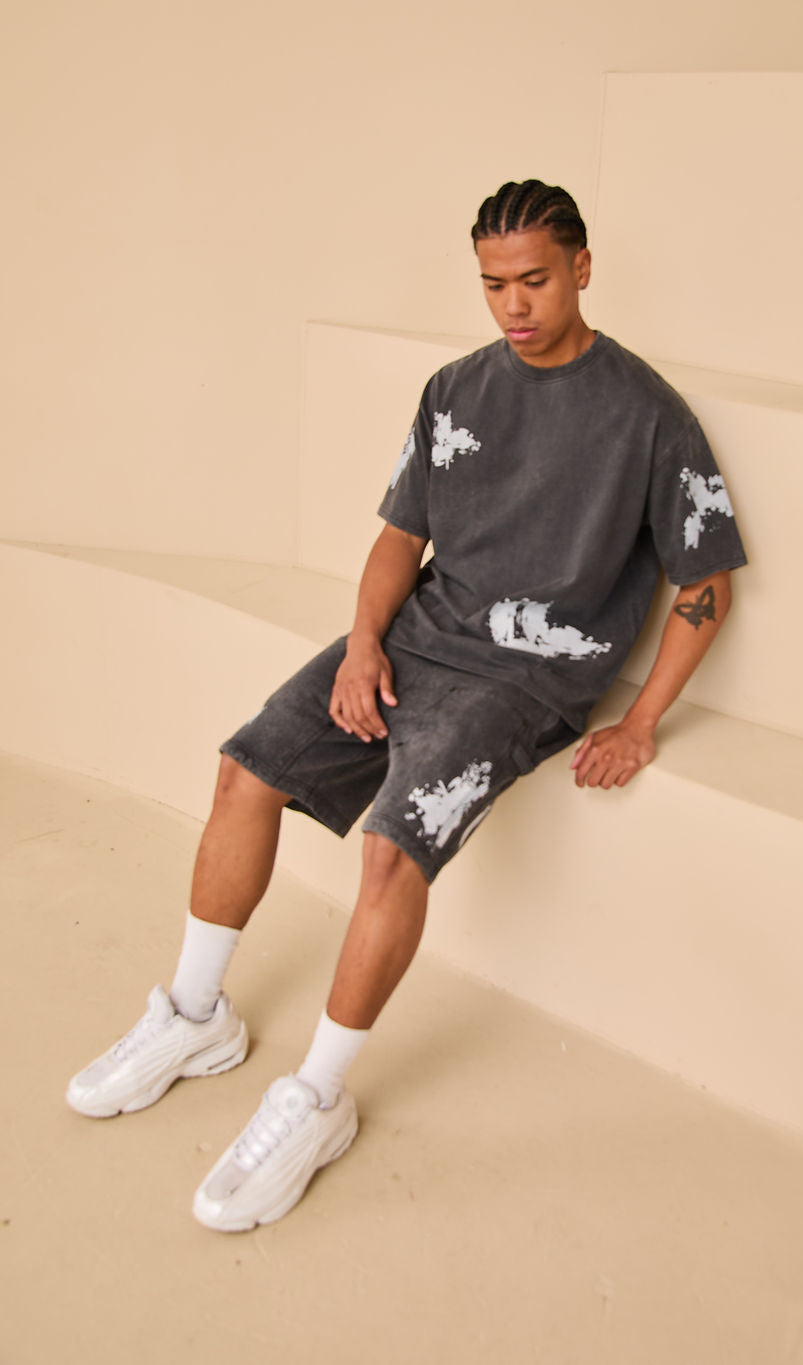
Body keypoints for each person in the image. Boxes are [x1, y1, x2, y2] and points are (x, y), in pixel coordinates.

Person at [66, 179, 747, 1232]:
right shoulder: (455, 389)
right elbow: (400, 535)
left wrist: (641, 719)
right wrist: (361, 645)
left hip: (526, 681)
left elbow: (706, 585)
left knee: (390, 848)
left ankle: (316, 1097)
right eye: (492, 284)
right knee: (246, 768)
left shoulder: (647, 414)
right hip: (413, 641)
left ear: (582, 268)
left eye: (534, 280)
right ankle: (196, 1015)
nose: (513, 305)